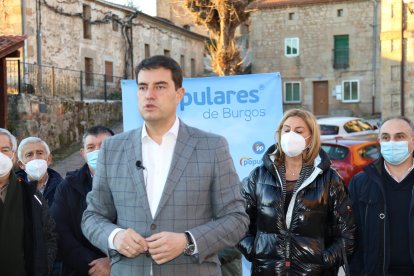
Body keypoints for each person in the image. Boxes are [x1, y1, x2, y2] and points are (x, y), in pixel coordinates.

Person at [81, 55, 249, 275]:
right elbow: (92, 217)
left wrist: (188, 241)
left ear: (179, 94)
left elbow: (236, 219)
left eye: (159, 86)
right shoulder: (112, 149)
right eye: (142, 87)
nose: (149, 95)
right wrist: (115, 237)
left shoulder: (212, 147)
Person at [238, 108, 356, 275]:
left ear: (310, 138)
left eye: (298, 131)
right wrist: (256, 251)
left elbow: (347, 233)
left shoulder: (329, 180)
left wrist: (322, 261)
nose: (290, 135)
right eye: (286, 130)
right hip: (268, 270)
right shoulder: (258, 176)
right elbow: (238, 222)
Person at [349, 116, 414, 275]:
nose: (392, 142)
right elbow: (351, 236)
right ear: (379, 142)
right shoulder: (361, 183)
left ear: (412, 140)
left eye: (399, 136)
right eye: (386, 137)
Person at [50, 126, 114, 276]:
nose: (97, 151)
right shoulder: (67, 187)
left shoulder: (133, 183)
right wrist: (92, 263)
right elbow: (60, 231)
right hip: (81, 269)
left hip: (124, 268)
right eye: (91, 147)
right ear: (83, 153)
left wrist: (113, 262)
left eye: (104, 146)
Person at [0, 128, 57, 275]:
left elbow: (49, 237)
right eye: (29, 155)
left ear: (12, 155)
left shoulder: (32, 195)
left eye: (4, 149)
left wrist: (42, 270)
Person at [16, 136, 63, 207]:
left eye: (40, 153)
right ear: (21, 164)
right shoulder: (12, 190)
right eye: (29, 155)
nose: (35, 158)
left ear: (49, 159)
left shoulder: (63, 188)